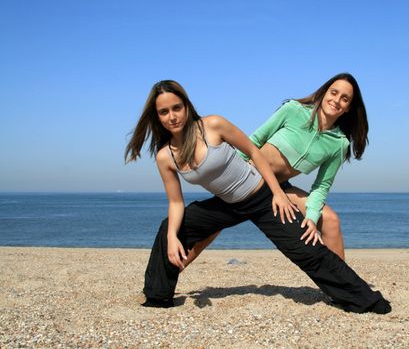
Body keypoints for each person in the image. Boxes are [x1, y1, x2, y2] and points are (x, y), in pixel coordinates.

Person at [125, 80, 391, 314]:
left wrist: (277, 193)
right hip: (226, 206)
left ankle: (364, 300)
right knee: (169, 229)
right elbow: (175, 203)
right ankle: (158, 298)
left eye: (176, 108)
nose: (172, 116)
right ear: (156, 116)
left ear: (186, 106)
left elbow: (253, 150)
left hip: (262, 196)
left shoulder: (213, 124)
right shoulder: (164, 157)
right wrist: (172, 236)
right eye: (164, 111)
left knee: (307, 251)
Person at [185, 73, 367, 263]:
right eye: (334, 93)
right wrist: (229, 174)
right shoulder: (293, 110)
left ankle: (344, 288)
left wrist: (311, 219)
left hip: (279, 188)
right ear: (324, 93)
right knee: (210, 229)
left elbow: (321, 187)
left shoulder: (339, 144)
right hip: (247, 178)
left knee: (331, 221)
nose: (336, 100)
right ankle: (175, 269)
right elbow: (253, 142)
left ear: (348, 108)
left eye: (344, 99)